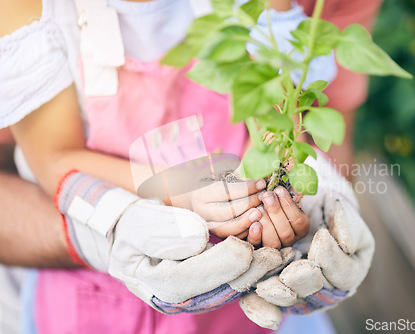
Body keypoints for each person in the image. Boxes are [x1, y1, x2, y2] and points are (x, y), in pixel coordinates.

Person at [0, 0, 377, 333]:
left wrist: (278, 190)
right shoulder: (30, 11)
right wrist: (178, 193)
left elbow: (275, 114)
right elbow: (56, 158)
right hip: (96, 300)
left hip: (236, 284)